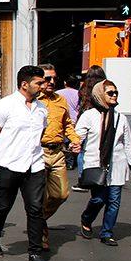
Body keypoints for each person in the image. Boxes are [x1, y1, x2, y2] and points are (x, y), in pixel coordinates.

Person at [0, 65, 52, 261]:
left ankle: (35, 252)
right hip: (8, 164)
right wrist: (4, 153)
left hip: (35, 165)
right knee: (4, 205)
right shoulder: (3, 106)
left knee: (35, 209)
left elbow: (40, 135)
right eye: (39, 83)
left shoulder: (41, 109)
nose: (43, 86)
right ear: (24, 84)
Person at [75, 79, 131, 247]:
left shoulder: (121, 118)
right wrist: (74, 144)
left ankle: (107, 232)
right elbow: (78, 136)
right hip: (95, 163)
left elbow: (127, 144)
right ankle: (86, 218)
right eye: (110, 93)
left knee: (114, 200)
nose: (114, 95)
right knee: (99, 199)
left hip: (117, 164)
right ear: (99, 95)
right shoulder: (89, 116)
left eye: (115, 93)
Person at [37, 64, 80, 249]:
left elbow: (68, 124)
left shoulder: (60, 100)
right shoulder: (33, 101)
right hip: (37, 152)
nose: (52, 82)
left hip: (57, 153)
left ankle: (37, 219)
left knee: (61, 194)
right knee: (38, 195)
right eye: (47, 79)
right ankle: (40, 232)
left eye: (54, 78)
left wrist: (75, 139)